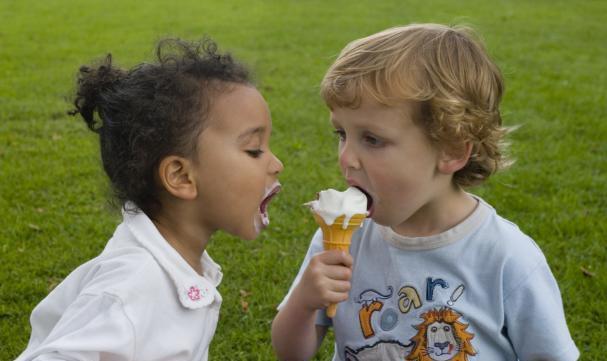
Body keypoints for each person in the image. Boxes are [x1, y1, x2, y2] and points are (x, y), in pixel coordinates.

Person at [271, 24, 578, 361]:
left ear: (450, 151)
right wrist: (303, 302)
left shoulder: (506, 258)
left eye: (372, 139)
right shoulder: (346, 242)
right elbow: (291, 354)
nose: (346, 158)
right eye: (341, 133)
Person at [17, 38, 283, 361]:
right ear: (181, 177)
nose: (276, 164)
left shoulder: (177, 264)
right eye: (254, 150)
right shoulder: (131, 290)